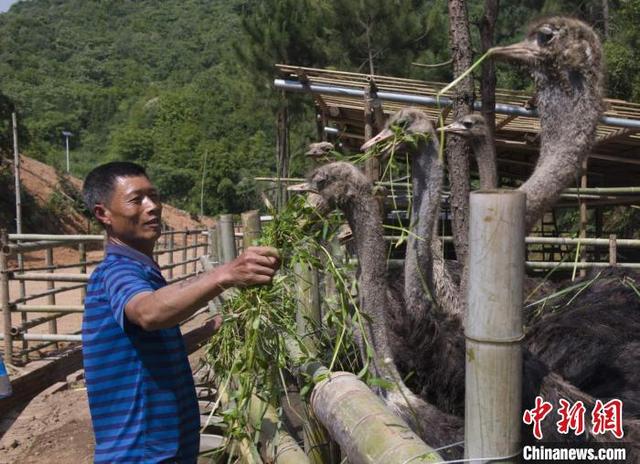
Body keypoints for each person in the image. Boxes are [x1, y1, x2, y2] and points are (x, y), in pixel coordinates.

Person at [81, 161, 280, 463]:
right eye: (137, 199)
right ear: (103, 214)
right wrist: (225, 274)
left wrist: (211, 329)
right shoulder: (117, 273)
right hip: (141, 456)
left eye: (154, 196)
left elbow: (146, 347)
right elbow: (148, 314)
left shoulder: (141, 271)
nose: (153, 207)